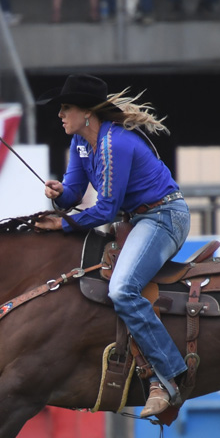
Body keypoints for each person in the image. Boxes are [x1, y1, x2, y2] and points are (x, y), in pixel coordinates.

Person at [31, 74, 191, 419]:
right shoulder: (81, 143)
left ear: (87, 112)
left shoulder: (114, 144)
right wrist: (60, 195)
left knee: (122, 290)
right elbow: (75, 192)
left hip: (165, 217)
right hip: (139, 220)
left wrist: (62, 223)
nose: (60, 114)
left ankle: (170, 375)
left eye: (66, 107)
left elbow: (105, 210)